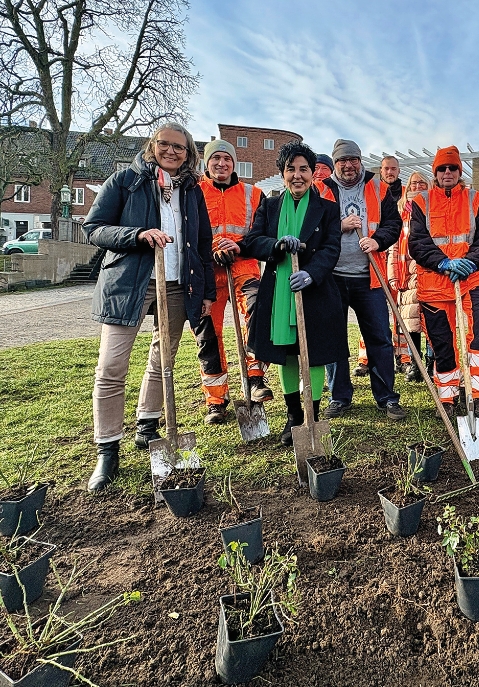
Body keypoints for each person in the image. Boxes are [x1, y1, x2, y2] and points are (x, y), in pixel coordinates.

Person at [83, 123, 215, 493]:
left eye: (181, 148)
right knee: (111, 366)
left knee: (164, 358)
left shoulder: (191, 191)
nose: (172, 152)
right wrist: (137, 235)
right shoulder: (126, 180)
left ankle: (147, 424)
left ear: (189, 154)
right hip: (130, 283)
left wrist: (203, 290)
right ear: (152, 145)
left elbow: (202, 243)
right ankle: (107, 449)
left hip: (176, 284)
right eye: (165, 145)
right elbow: (93, 228)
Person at [238, 142, 347, 446]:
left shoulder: (327, 209)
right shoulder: (270, 206)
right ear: (282, 173)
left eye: (303, 169)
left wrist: (312, 273)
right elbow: (252, 241)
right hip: (279, 294)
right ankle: (293, 417)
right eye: (291, 169)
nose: (297, 175)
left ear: (313, 174)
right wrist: (276, 245)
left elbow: (330, 248)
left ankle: (311, 416)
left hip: (315, 293)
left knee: (311, 356)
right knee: (286, 355)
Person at [321, 139, 406, 420]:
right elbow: (312, 228)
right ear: (335, 164)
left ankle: (387, 398)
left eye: (353, 159)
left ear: (360, 161)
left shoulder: (378, 187)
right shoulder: (321, 189)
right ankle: (339, 396)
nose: (348, 165)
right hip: (332, 277)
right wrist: (339, 226)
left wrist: (377, 241)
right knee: (333, 339)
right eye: (342, 161)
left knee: (379, 337)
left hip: (369, 277)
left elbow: (394, 224)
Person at [408, 145, 479, 418]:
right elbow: (417, 243)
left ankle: (476, 393)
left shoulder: (477, 200)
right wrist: (443, 262)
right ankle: (447, 396)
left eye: (453, 168)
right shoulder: (422, 202)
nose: (448, 172)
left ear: (459, 171)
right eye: (442, 169)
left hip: (473, 281)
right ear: (435, 173)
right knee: (443, 342)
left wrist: (470, 261)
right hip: (435, 285)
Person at [193, 139, 272, 425]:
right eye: (216, 159)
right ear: (207, 163)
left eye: (227, 159)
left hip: (244, 267)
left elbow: (262, 234)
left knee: (257, 310)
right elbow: (188, 230)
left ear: (234, 163)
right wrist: (215, 245)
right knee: (207, 335)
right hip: (206, 273)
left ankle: (255, 377)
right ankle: (216, 400)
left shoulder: (254, 194)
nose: (221, 164)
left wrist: (237, 245)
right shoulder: (194, 192)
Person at [354, 154, 408, 375]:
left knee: (400, 312)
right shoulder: (370, 191)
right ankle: (365, 358)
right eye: (386, 168)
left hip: (397, 258)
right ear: (381, 170)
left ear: (398, 171)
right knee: (371, 313)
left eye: (393, 168)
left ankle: (403, 357)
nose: (390, 172)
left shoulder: (406, 195)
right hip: (373, 258)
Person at [388, 171, 430, 382]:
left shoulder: (434, 209)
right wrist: (393, 273)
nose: (418, 186)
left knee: (432, 322)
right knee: (411, 323)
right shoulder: (401, 213)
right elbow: (394, 246)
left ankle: (432, 364)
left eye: (422, 183)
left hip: (429, 271)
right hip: (407, 274)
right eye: (414, 183)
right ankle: (416, 364)